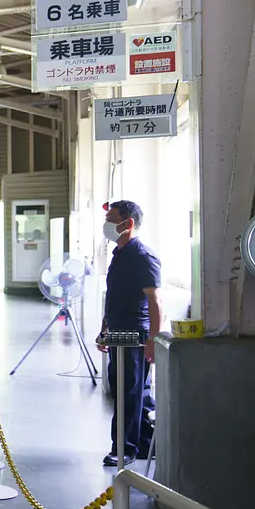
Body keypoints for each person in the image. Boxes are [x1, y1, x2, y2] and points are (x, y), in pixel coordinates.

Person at [97, 200, 163, 467]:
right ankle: (148, 443)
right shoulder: (119, 254)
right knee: (137, 390)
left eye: (112, 218)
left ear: (128, 223)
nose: (107, 224)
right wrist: (105, 327)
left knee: (128, 391)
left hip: (135, 333)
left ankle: (124, 448)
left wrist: (153, 341)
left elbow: (155, 301)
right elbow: (115, 295)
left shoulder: (142, 256)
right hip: (118, 329)